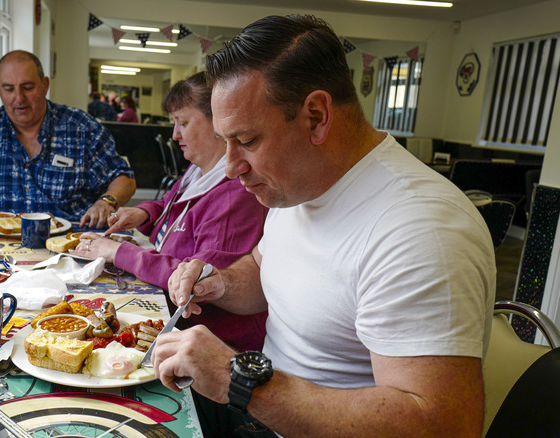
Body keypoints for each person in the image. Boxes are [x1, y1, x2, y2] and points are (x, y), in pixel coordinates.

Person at [151, 15, 496, 437]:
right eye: (225, 141)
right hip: (261, 416)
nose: (230, 168)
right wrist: (219, 282)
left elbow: (445, 425)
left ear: (315, 115)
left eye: (247, 140)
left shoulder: (421, 229)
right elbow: (262, 268)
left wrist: (237, 380)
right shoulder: (298, 183)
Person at [71, 72, 269, 353]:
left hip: (214, 341)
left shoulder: (233, 197)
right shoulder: (197, 171)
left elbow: (194, 281)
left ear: (219, 123)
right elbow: (169, 205)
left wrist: (117, 253)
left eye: (183, 123)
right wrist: (143, 214)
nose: (175, 135)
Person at [0, 50, 136, 229]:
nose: (19, 98)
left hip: (70, 243)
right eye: (9, 89)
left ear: (45, 85)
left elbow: (124, 178)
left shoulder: (82, 129)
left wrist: (106, 202)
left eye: (27, 87)